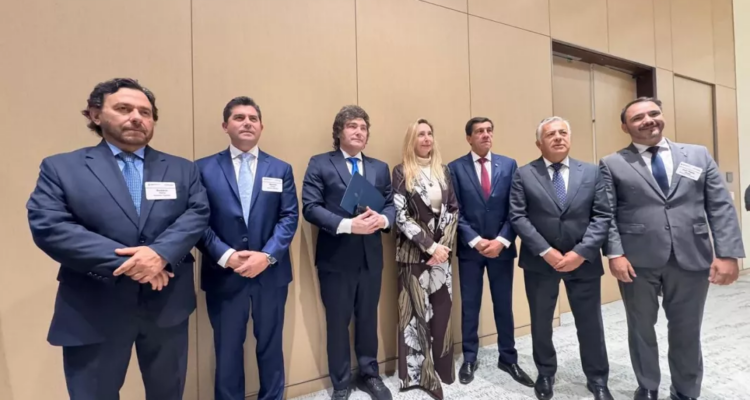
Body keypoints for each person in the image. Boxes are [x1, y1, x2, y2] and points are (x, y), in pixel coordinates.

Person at [26, 78, 210, 400]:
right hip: (94, 307)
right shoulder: (62, 168)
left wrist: (160, 254)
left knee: (168, 393)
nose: (136, 117)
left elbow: (196, 215)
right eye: (124, 109)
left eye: (145, 112)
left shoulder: (182, 169)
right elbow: (50, 225)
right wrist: (138, 263)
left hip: (166, 305)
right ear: (95, 115)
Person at [600, 97, 745, 400]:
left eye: (653, 113)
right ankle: (648, 386)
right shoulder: (612, 163)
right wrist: (615, 254)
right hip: (637, 260)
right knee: (640, 328)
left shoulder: (697, 155)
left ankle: (685, 391)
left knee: (686, 329)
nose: (648, 120)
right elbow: (607, 213)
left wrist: (728, 253)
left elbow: (719, 205)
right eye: (638, 117)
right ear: (625, 127)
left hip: (691, 255)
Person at [195, 96, 298, 400]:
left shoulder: (280, 169)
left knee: (271, 346)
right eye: (239, 118)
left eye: (253, 118)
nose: (247, 123)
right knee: (227, 349)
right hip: (223, 274)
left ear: (261, 126)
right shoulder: (202, 169)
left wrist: (267, 256)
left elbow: (289, 217)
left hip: (271, 274)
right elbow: (197, 220)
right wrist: (227, 256)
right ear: (225, 126)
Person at [509, 117, 613, 400]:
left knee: (590, 323)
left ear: (570, 137)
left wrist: (581, 252)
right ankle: (545, 373)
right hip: (540, 262)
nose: (558, 137)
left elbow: (602, 215)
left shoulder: (591, 172)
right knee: (541, 322)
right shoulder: (524, 174)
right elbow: (518, 216)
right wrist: (547, 251)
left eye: (563, 132)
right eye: (551, 134)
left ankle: (597, 379)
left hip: (584, 261)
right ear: (538, 143)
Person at [301, 105, 396, 400]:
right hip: (335, 259)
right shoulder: (320, 163)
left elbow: (391, 204)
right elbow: (310, 207)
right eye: (352, 126)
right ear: (339, 132)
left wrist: (383, 220)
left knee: (368, 319)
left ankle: (370, 374)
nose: (359, 131)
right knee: (338, 322)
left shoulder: (379, 167)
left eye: (363, 127)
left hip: (371, 259)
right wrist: (347, 225)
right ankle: (341, 382)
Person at [448, 117, 533, 387]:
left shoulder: (508, 165)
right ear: (469, 138)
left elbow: (516, 208)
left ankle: (508, 357)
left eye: (489, 131)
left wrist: (502, 240)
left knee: (504, 305)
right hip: (470, 249)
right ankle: (469, 358)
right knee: (470, 305)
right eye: (479, 132)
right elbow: (454, 210)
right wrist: (474, 240)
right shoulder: (455, 168)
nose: (486, 135)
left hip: (501, 250)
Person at [392, 119, 458, 400]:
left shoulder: (443, 171)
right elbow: (400, 215)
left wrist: (443, 247)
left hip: (443, 255)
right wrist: (429, 246)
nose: (427, 138)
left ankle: (442, 368)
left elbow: (453, 209)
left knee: (442, 313)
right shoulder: (400, 172)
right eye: (421, 134)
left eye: (430, 133)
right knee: (415, 317)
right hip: (413, 255)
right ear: (412, 139)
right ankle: (421, 376)